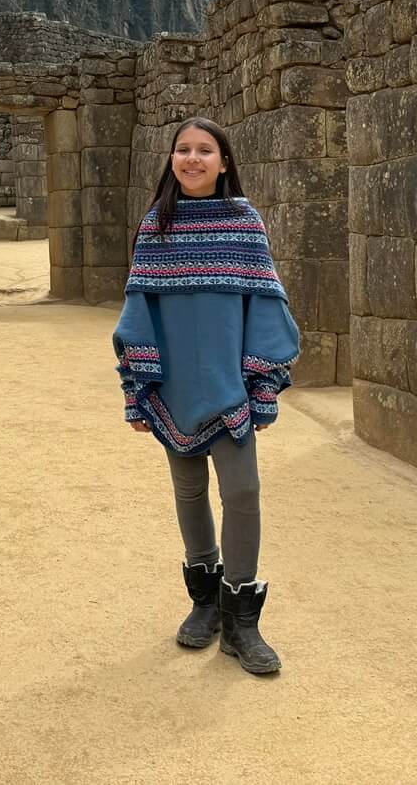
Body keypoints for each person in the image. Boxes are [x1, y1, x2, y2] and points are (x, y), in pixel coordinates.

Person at [112, 116, 301, 675]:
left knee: (242, 493)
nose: (192, 159)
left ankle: (242, 617)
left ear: (224, 163)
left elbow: (265, 309)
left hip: (230, 391)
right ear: (171, 160)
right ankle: (204, 602)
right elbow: (138, 312)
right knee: (190, 492)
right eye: (182, 150)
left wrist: (262, 387)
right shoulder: (156, 229)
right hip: (173, 390)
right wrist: (137, 391)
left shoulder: (244, 225)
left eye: (204, 151)